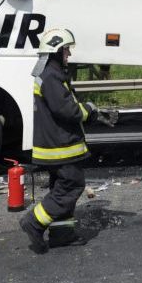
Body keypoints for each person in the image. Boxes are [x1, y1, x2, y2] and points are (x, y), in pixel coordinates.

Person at [20, 28, 99, 254]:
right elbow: (67, 110)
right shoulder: (52, 75)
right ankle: (34, 222)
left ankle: (62, 234)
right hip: (61, 146)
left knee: (60, 188)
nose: (69, 55)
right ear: (55, 51)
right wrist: (89, 110)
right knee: (72, 185)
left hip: (56, 145)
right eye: (65, 50)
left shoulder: (50, 72)